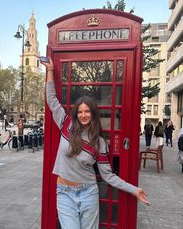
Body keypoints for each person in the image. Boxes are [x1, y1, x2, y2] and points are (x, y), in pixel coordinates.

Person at [41, 57, 149, 228]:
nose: (84, 115)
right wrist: (50, 71)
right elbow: (52, 100)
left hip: (88, 193)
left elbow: (108, 175)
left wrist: (134, 189)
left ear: (93, 114)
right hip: (64, 192)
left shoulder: (99, 143)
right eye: (80, 111)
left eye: (88, 111)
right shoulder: (65, 123)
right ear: (76, 113)